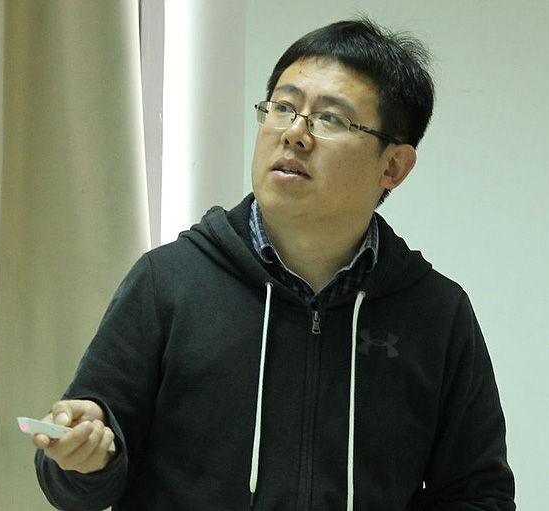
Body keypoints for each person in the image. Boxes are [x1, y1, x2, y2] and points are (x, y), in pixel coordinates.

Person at [31, 17, 515, 511]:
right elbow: (73, 473)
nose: (294, 134)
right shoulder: (169, 282)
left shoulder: (435, 313)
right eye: (282, 108)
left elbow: (479, 494)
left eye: (331, 119)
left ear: (393, 166)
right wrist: (83, 457)